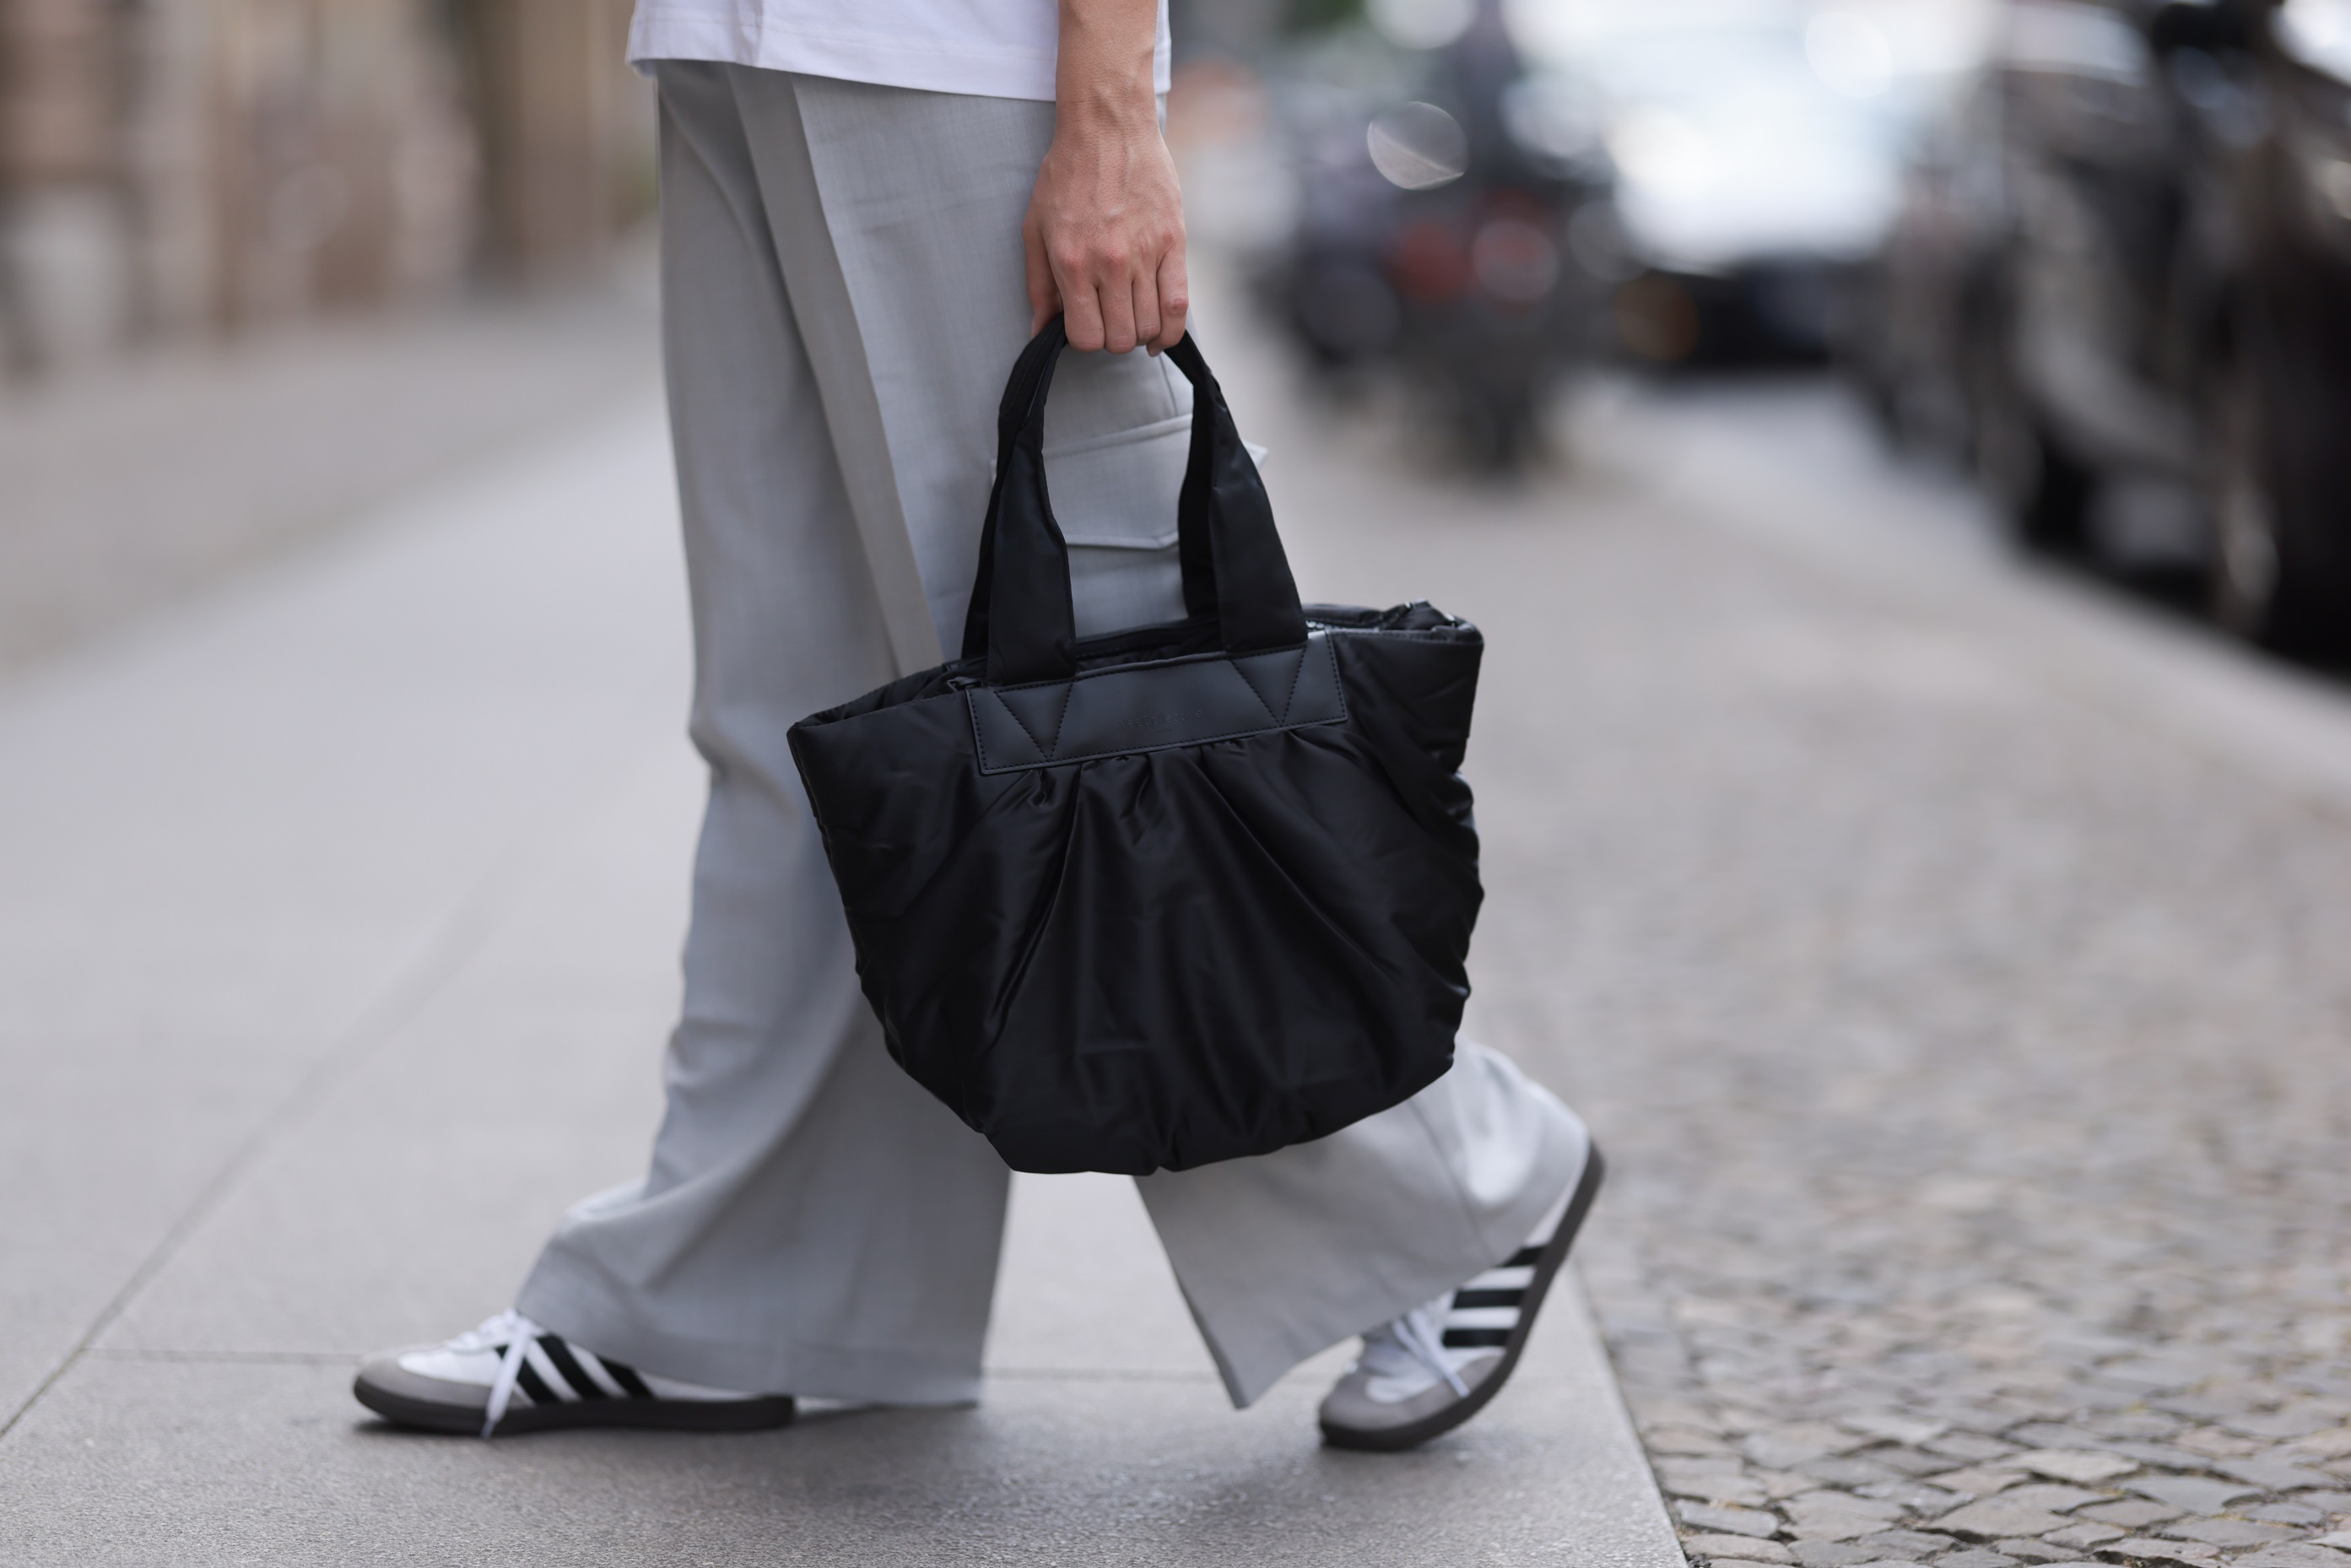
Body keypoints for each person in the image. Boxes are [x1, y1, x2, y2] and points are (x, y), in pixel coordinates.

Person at [351, 0, 1602, 1452]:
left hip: (949, 51)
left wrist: (1110, 106)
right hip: (730, 41)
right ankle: (748, 1287)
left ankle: (1448, 1188)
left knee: (1122, 691)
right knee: (802, 726)